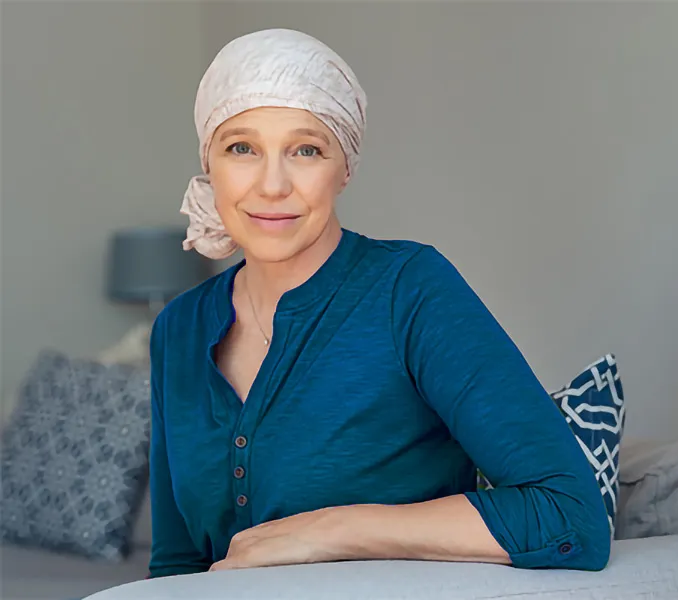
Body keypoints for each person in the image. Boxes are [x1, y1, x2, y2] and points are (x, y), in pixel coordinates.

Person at [148, 28, 610, 577]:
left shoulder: (409, 290)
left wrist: (330, 530)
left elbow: (570, 517)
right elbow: (176, 566)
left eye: (306, 150)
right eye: (242, 148)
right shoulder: (178, 329)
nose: (272, 184)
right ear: (211, 164)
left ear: (344, 168)